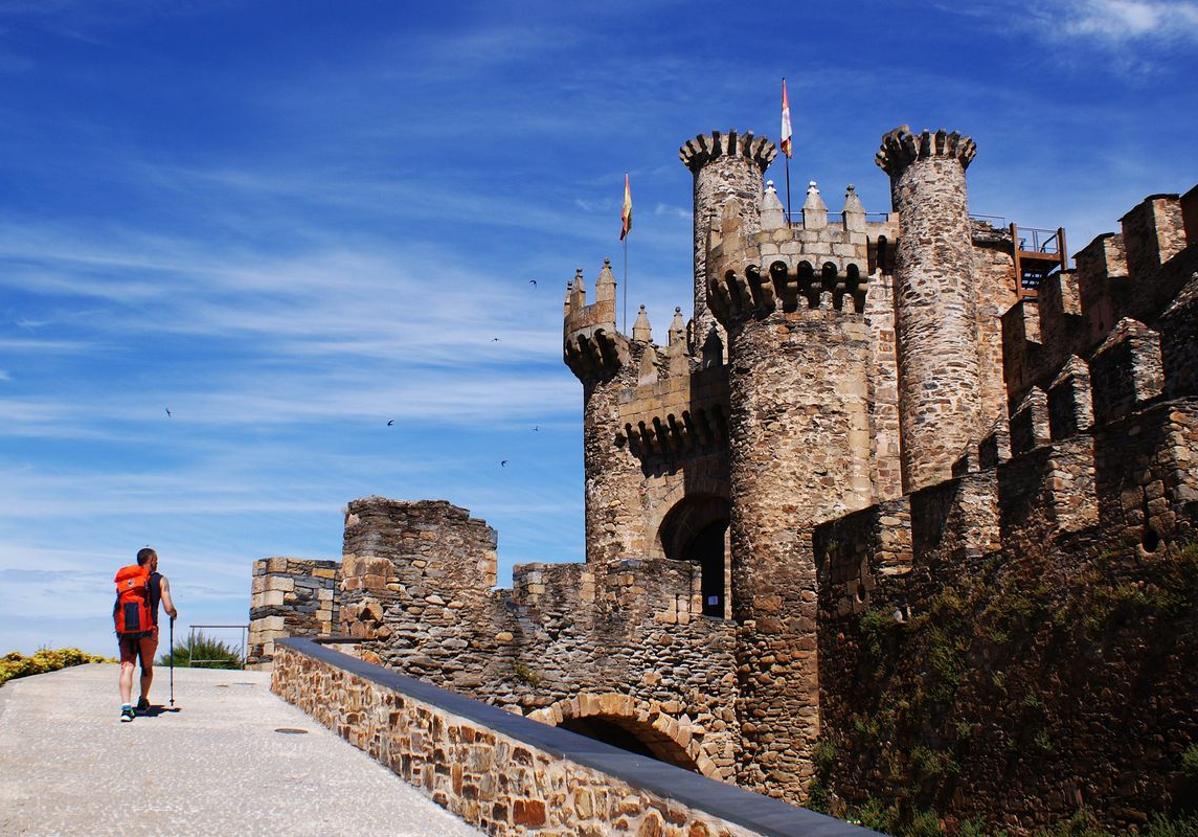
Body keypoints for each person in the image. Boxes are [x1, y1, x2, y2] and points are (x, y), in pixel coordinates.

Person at [117, 547, 177, 722]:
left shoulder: (127, 579)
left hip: (125, 629)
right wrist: (174, 613)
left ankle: (126, 708)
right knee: (146, 667)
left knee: (127, 666)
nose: (157, 562)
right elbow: (168, 608)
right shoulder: (161, 580)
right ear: (151, 560)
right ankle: (143, 701)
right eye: (156, 559)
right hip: (148, 630)